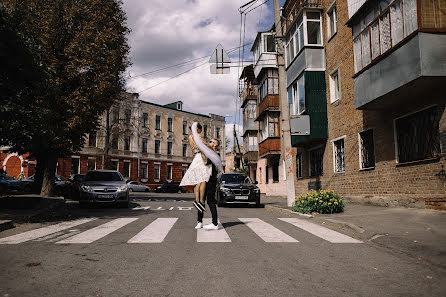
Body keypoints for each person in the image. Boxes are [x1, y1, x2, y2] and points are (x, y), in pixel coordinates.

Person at [179, 122, 211, 213]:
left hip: (196, 157)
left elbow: (193, 149)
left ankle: (196, 200)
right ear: (199, 129)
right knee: (203, 180)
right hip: (201, 157)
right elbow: (202, 146)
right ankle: (201, 201)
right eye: (200, 129)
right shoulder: (198, 136)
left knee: (197, 181)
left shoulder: (190, 137)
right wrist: (208, 146)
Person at [195, 138, 223, 230]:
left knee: (210, 201)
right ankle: (199, 221)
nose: (209, 142)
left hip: (211, 180)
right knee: (201, 200)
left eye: (211, 142)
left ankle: (214, 223)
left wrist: (202, 153)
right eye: (209, 141)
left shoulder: (215, 154)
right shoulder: (208, 152)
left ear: (215, 145)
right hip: (203, 178)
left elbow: (205, 162)